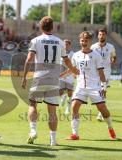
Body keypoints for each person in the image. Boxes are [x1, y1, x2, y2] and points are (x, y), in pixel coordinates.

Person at [21, 16, 79, 146]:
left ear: (41, 27)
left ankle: (33, 131)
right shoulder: (59, 42)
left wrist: (24, 77)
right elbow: (67, 60)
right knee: (52, 110)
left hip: (39, 77)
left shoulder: (36, 40)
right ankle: (53, 140)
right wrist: (73, 70)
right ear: (53, 27)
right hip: (54, 79)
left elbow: (29, 59)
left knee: (32, 104)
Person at [67, 31, 116, 140]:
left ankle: (110, 127)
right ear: (80, 41)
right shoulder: (76, 55)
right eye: (82, 40)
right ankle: (75, 134)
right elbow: (72, 69)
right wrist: (61, 75)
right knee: (74, 107)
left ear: (90, 41)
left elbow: (101, 72)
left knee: (103, 109)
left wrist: (103, 86)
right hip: (80, 87)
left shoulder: (96, 55)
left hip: (95, 87)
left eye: (86, 41)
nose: (84, 42)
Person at [91, 28, 117, 121]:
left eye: (103, 34)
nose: (101, 36)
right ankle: (102, 110)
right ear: (98, 35)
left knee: (103, 91)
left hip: (106, 72)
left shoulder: (111, 47)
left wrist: (113, 61)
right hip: (95, 73)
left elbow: (114, 56)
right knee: (97, 93)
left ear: (106, 36)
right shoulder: (93, 47)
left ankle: (101, 113)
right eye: (100, 34)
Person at [59, 39, 75, 115]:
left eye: (67, 44)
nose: (65, 46)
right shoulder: (59, 53)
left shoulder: (73, 54)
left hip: (69, 76)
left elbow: (73, 65)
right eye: (64, 44)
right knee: (60, 92)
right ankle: (63, 97)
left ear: (69, 45)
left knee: (70, 93)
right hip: (61, 75)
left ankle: (68, 109)